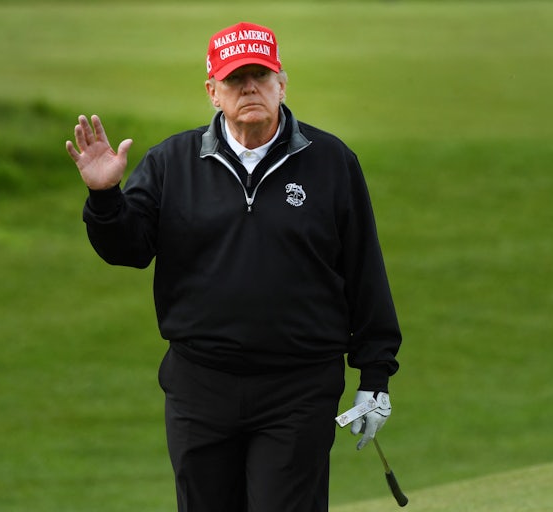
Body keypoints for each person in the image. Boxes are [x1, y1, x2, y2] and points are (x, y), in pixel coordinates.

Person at [65, 21, 401, 512]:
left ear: (282, 84)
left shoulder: (331, 162)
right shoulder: (172, 162)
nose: (249, 88)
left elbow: (364, 270)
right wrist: (105, 198)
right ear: (212, 92)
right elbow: (128, 250)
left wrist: (375, 376)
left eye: (260, 76)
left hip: (299, 387)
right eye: (234, 79)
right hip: (200, 385)